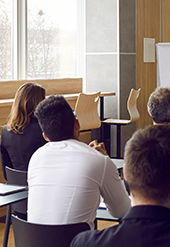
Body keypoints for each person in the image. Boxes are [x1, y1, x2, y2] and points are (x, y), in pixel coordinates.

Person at [27, 95, 130, 230]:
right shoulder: (99, 160)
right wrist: (106, 160)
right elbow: (121, 211)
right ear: (77, 124)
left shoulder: (36, 158)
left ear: (45, 136)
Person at [0, 82, 47, 176]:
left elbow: (6, 172)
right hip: (43, 183)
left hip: (16, 184)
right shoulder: (45, 129)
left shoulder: (6, 132)